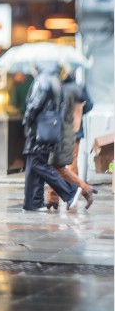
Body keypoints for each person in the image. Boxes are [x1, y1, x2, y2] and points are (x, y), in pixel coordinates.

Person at [21, 62, 81, 212]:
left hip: (39, 130)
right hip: (47, 129)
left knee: (37, 163)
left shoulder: (43, 81)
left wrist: (26, 121)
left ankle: (69, 191)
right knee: (33, 164)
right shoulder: (55, 82)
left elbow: (34, 106)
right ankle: (32, 202)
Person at [45, 68, 96, 210]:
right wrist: (79, 110)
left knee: (55, 164)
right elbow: (90, 105)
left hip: (62, 131)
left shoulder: (60, 88)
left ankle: (55, 197)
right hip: (76, 131)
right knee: (69, 163)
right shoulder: (79, 88)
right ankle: (74, 192)